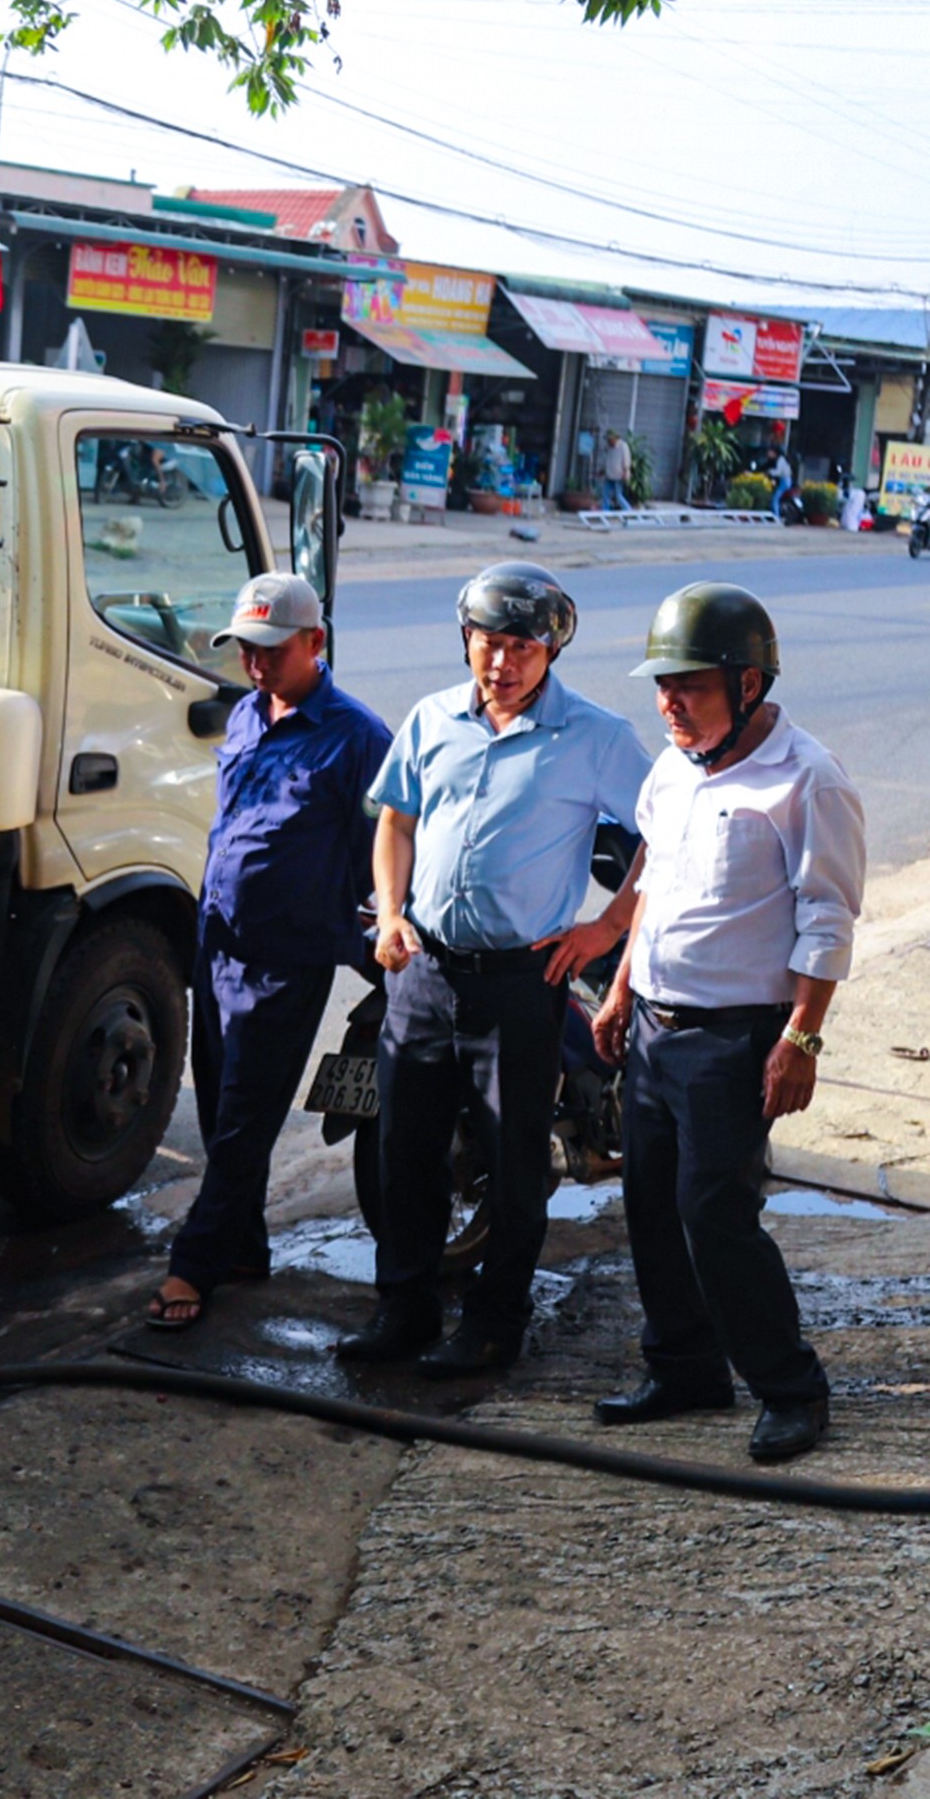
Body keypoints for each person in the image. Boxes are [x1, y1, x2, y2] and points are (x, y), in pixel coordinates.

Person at [338, 563, 655, 1373]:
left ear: (550, 651)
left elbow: (667, 830)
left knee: (516, 1167)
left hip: (523, 983)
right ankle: (402, 1311)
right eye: (488, 642)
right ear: (467, 640)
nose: (502, 662)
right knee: (404, 1155)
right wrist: (393, 909)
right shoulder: (430, 719)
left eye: (522, 646)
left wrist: (609, 924)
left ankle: (493, 1326)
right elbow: (396, 822)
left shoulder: (594, 736)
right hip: (421, 974)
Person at [588, 584, 863, 1463]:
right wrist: (622, 987)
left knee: (717, 1215)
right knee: (651, 1207)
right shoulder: (674, 767)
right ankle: (684, 1368)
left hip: (737, 1040)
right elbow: (655, 885)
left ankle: (791, 1387)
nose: (669, 702)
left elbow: (828, 920)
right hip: (657, 1030)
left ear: (748, 685)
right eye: (662, 686)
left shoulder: (807, 778)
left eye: (690, 686)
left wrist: (801, 1040)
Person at [148, 573, 393, 1330]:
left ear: (315, 644)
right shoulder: (250, 715)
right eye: (245, 651)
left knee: (243, 1121)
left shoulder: (357, 737)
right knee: (221, 1098)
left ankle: (194, 1267)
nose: (255, 666)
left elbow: (384, 845)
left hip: (286, 962)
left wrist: (361, 922)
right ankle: (245, 1246)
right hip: (217, 946)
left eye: (271, 651)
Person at [597, 431, 635, 514]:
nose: (609, 441)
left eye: (610, 439)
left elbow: (626, 459)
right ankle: (605, 512)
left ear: (615, 438)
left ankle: (629, 511)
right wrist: (602, 470)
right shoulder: (609, 448)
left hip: (619, 475)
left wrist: (626, 471)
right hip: (609, 475)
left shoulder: (623, 446)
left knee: (618, 496)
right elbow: (607, 460)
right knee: (605, 495)